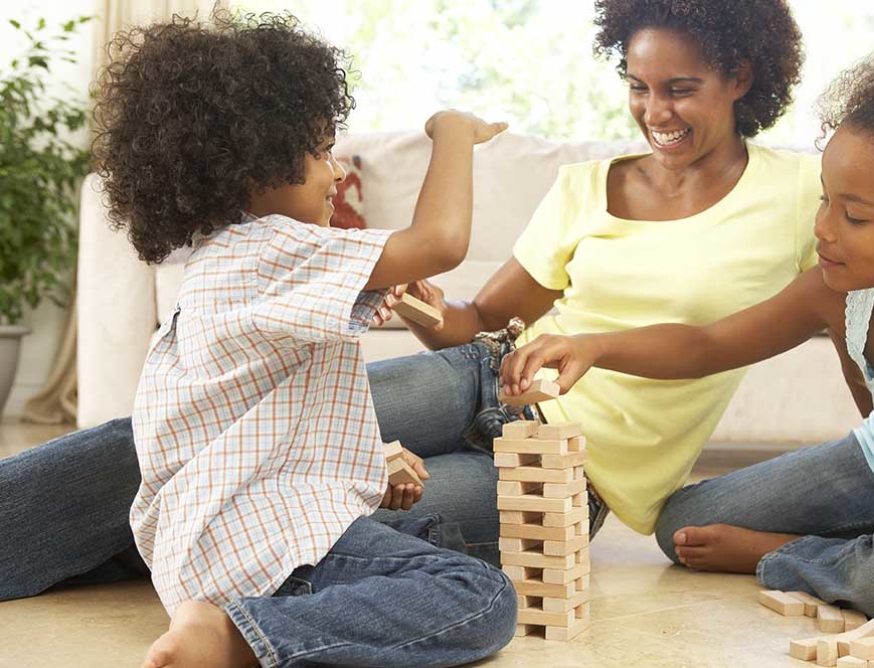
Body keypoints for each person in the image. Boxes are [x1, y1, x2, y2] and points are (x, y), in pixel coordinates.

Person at [0, 0, 818, 593]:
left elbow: (847, 291)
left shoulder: (803, 193)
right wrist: (428, 314)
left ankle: (126, 556)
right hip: (474, 376)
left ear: (740, 75)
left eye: (677, 87)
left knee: (321, 532)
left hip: (570, 477)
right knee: (178, 436)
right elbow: (474, 322)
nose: (653, 112)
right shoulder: (584, 187)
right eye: (638, 86)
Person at [501, 43, 874, 668]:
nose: (824, 228)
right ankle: (859, 546)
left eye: (854, 215)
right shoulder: (835, 284)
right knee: (682, 524)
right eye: (825, 199)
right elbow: (708, 343)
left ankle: (796, 552)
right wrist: (596, 346)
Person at [89, 13, 514, 668]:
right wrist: (452, 129)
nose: (336, 171)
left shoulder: (222, 263)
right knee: (479, 593)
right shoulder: (271, 249)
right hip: (259, 551)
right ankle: (241, 635)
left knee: (429, 537)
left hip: (215, 542)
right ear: (253, 172)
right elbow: (441, 241)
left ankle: (233, 615)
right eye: (320, 151)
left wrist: (367, 471)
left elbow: (243, 434)